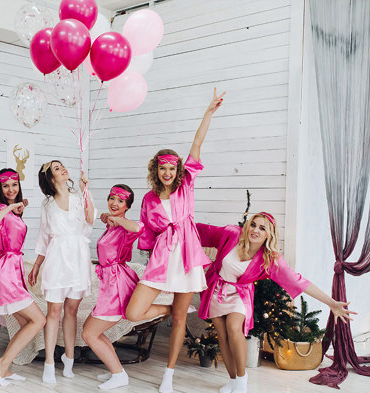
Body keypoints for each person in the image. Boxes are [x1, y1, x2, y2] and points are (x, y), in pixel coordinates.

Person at [125, 88, 225, 393]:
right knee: (133, 312)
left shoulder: (186, 186)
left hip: (186, 257)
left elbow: (196, 145)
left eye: (171, 168)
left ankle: (168, 373)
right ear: (156, 170)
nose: (167, 172)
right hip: (161, 258)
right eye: (162, 168)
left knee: (181, 318)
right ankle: (171, 310)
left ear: (177, 170)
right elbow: (145, 232)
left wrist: (208, 112)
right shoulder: (148, 199)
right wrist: (118, 222)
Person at [197, 213, 355, 393]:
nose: (255, 230)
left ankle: (241, 380)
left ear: (268, 235)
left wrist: (331, 303)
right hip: (217, 290)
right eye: (254, 225)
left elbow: (298, 281)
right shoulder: (231, 233)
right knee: (222, 336)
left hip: (239, 295)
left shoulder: (270, 259)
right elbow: (201, 231)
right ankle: (232, 380)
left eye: (262, 228)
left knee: (234, 328)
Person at [82, 184, 171, 390]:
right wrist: (109, 219)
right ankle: (117, 371)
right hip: (109, 284)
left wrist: (118, 219)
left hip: (116, 286)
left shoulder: (125, 226)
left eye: (120, 201)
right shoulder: (112, 225)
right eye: (112, 198)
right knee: (92, 332)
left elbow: (139, 228)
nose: (114, 203)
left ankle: (118, 374)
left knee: (89, 334)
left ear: (127, 206)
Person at [28, 161, 95, 383]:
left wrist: (87, 190)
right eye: (57, 168)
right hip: (57, 259)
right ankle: (49, 362)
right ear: (50, 177)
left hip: (78, 258)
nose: (63, 169)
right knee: (54, 312)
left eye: (62, 166)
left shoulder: (79, 196)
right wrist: (37, 265)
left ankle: (69, 358)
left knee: (72, 311)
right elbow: (43, 238)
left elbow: (90, 220)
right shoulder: (47, 205)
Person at [0, 168, 46, 386]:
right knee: (39, 320)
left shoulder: (15, 211)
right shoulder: (1, 209)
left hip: (11, 271)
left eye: (14, 185)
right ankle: (2, 364)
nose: (10, 189)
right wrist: (10, 206)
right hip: (4, 273)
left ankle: (5, 367)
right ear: (0, 189)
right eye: (5, 186)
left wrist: (18, 207)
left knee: (28, 322)